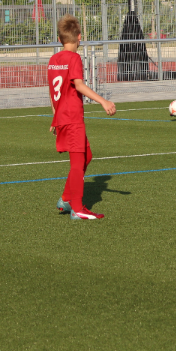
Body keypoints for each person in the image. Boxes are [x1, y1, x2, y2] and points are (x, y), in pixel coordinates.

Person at [47, 15, 117, 221]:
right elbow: (78, 85)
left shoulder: (53, 60)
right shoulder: (74, 58)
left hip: (63, 116)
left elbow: (52, 91)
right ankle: (77, 208)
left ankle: (66, 199)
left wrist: (55, 117)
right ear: (79, 37)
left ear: (59, 39)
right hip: (72, 117)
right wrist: (103, 101)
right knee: (77, 163)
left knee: (87, 155)